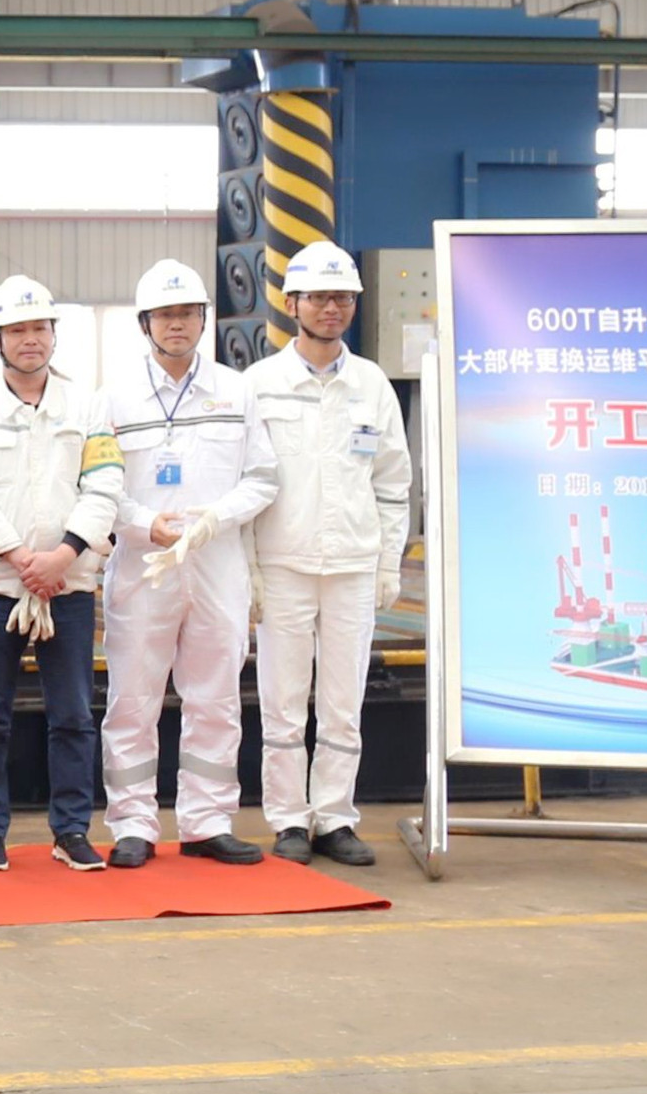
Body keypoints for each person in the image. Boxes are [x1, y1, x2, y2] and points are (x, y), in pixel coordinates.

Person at [100, 258, 278, 869]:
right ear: (145, 324)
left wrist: (215, 519)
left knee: (215, 696)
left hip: (215, 563)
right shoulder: (114, 399)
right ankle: (133, 823)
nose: (176, 324)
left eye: (187, 313)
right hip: (143, 567)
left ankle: (207, 822)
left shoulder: (236, 392)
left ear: (204, 319)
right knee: (132, 699)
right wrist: (142, 524)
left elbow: (263, 477)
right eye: (164, 315)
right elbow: (98, 484)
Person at [0, 275, 125, 872]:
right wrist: (22, 560)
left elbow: (104, 486)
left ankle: (71, 829)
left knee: (72, 714)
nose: (30, 339)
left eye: (39, 328)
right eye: (17, 330)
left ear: (54, 334)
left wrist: (62, 557)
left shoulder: (88, 407)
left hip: (67, 586)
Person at [244, 242, 412, 868]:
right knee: (283, 702)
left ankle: (335, 818)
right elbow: (245, 485)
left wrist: (387, 564)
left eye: (342, 297)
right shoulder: (260, 386)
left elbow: (393, 484)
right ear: (293, 305)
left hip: (352, 568)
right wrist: (249, 570)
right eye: (318, 297)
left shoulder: (371, 385)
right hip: (283, 565)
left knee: (343, 705)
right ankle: (289, 819)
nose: (331, 308)